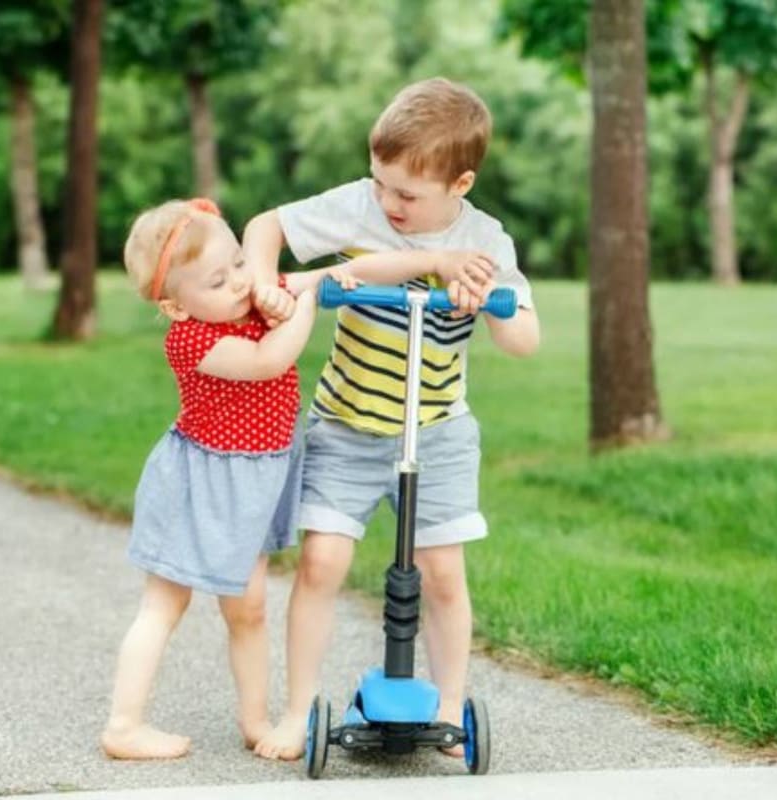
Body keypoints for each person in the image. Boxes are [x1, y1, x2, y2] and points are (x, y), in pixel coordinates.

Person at [243, 77, 542, 761]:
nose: (389, 203)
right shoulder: (357, 207)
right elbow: (268, 227)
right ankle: (296, 713)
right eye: (382, 184)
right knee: (321, 561)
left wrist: (490, 301)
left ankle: (445, 708)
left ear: (460, 183)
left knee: (441, 573)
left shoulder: (484, 239)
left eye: (408, 195)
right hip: (345, 425)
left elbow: (525, 337)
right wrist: (264, 277)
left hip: (436, 432)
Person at [99, 197, 319, 760]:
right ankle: (124, 726)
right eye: (219, 280)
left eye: (241, 263)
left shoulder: (249, 303)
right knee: (164, 603)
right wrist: (304, 308)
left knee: (248, 607)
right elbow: (270, 361)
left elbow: (328, 274)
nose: (242, 283)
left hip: (253, 483)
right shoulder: (192, 339)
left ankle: (255, 720)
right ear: (176, 305)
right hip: (200, 482)